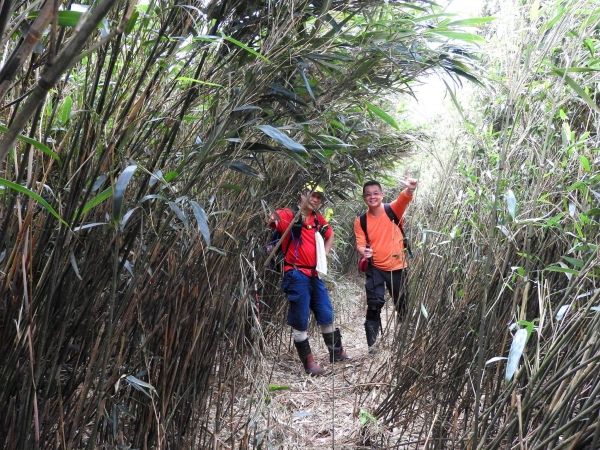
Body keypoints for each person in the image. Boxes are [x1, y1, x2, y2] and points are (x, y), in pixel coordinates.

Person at [269, 183, 349, 375]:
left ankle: (336, 353)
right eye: (311, 195)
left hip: (315, 274)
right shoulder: (289, 214)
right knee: (300, 320)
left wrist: (324, 256)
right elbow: (269, 217)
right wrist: (276, 218)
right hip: (296, 274)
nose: (314, 199)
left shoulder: (318, 219)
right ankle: (309, 364)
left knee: (326, 314)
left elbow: (330, 235)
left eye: (318, 197)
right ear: (301, 195)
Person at [354, 175, 418, 353]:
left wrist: (410, 188)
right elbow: (360, 242)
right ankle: (372, 346)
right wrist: (362, 251)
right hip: (375, 267)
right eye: (368, 194)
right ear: (364, 198)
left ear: (382, 195)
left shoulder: (393, 210)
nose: (372, 197)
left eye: (375, 193)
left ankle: (406, 340)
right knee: (374, 304)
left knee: (403, 305)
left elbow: (403, 199)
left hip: (398, 267)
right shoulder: (361, 220)